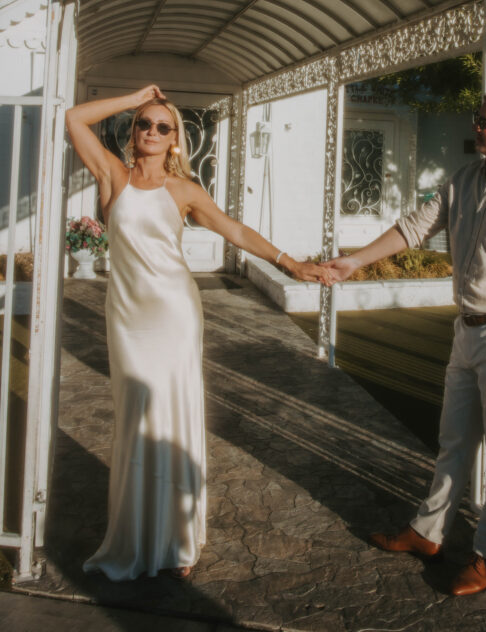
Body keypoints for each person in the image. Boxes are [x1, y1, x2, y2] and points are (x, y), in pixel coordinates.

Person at [66, 85, 331, 581]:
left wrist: (291, 263)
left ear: (175, 141)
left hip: (173, 314)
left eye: (163, 126)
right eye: (144, 124)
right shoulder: (114, 176)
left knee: (173, 415)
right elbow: (75, 119)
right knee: (136, 419)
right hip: (126, 318)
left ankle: (179, 539)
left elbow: (234, 232)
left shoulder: (184, 191)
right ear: (132, 130)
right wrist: (136, 98)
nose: (151, 131)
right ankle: (138, 532)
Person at [323, 89, 486, 596]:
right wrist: (354, 262)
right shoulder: (463, 180)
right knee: (454, 440)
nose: (477, 127)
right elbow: (414, 227)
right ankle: (428, 533)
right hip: (467, 331)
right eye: (478, 119)